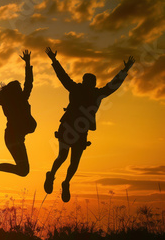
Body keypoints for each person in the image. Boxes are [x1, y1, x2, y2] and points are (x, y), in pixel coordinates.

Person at [43, 47, 135, 202]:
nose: (90, 85)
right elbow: (63, 76)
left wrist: (125, 70)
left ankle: (66, 182)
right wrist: (53, 60)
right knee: (63, 156)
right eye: (89, 82)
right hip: (68, 127)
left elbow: (113, 85)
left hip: (81, 131)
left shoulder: (96, 94)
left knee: (74, 161)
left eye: (92, 83)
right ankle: (51, 175)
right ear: (85, 82)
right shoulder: (77, 89)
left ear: (92, 84)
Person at [0, 50, 37, 181]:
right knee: (23, 170)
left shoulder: (22, 99)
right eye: (19, 88)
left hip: (17, 138)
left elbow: (29, 82)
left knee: (23, 170)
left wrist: (28, 63)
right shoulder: (9, 103)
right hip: (12, 138)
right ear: (15, 92)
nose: (22, 89)